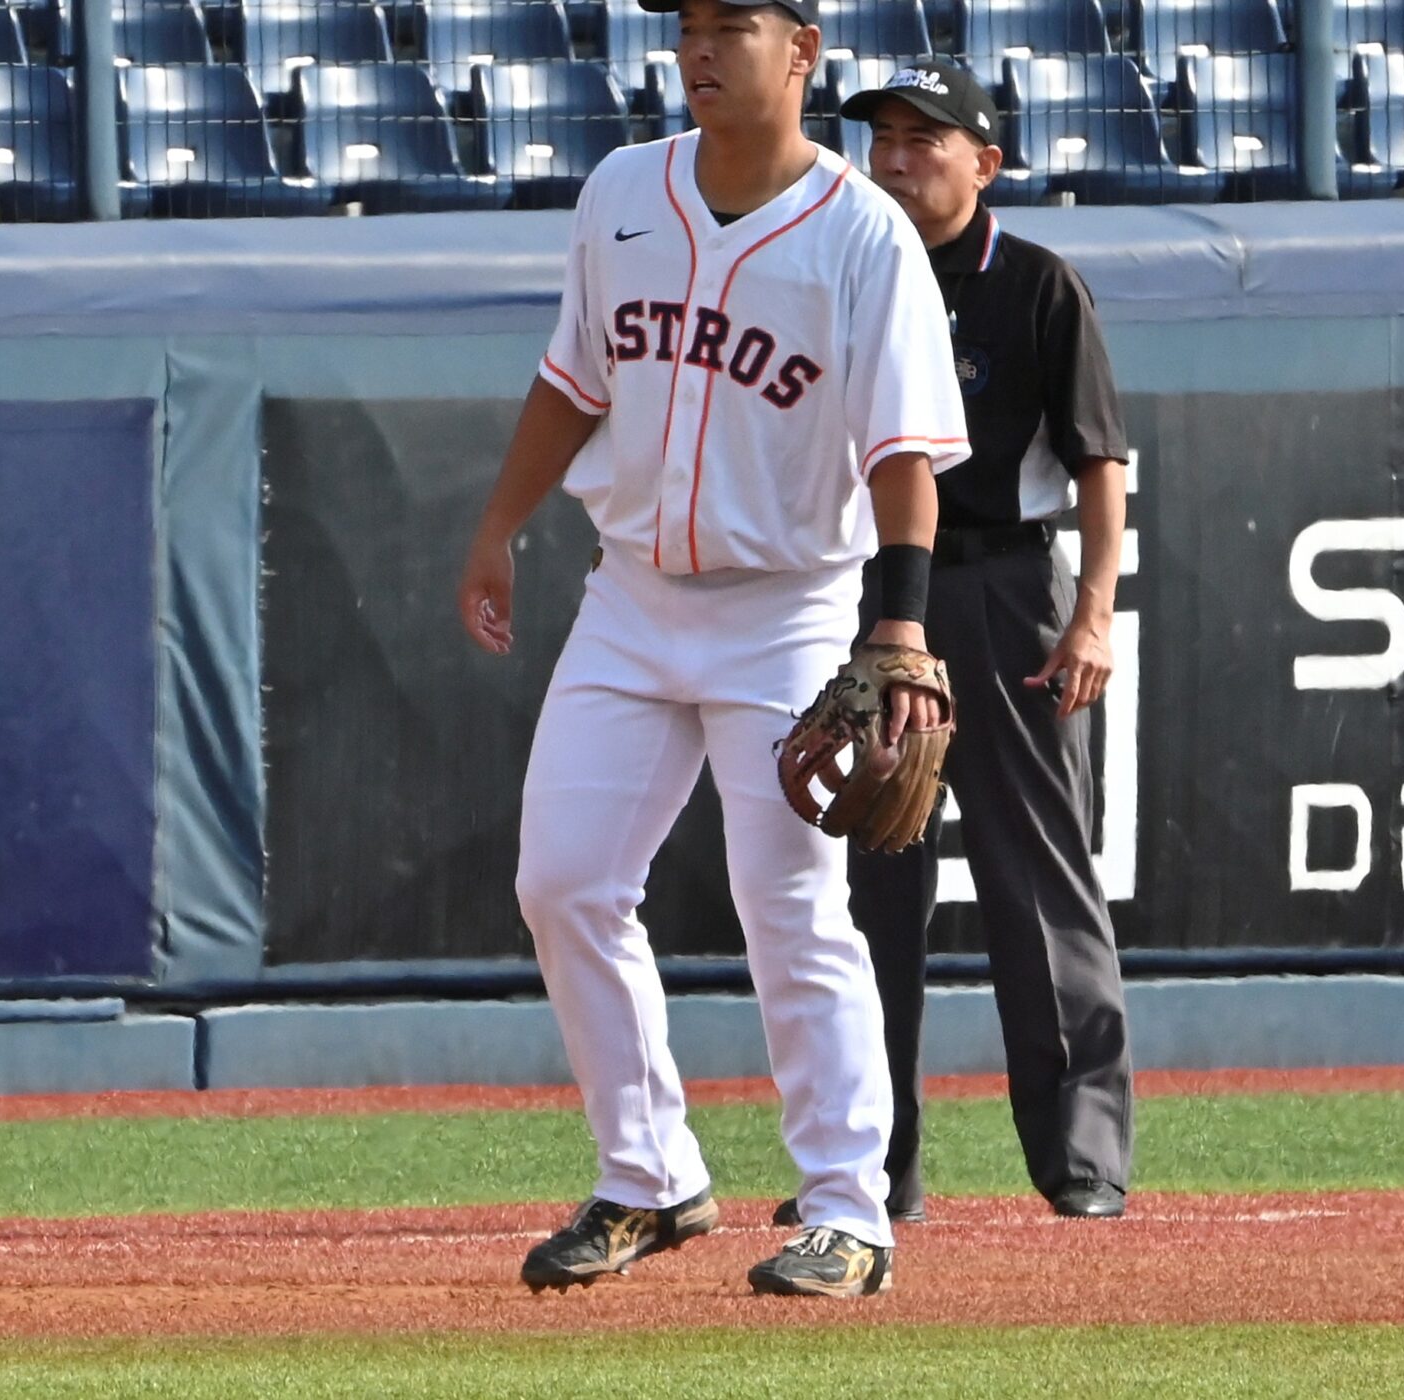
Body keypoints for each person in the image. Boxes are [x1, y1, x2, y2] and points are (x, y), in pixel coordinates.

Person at [455, 0, 969, 1299]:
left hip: (788, 604)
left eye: (731, 22)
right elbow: (575, 381)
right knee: (563, 881)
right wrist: (500, 525)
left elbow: (903, 454)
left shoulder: (862, 235)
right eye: (687, 24)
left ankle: (849, 1210)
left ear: (801, 51)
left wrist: (899, 622)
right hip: (629, 595)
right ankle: (647, 1176)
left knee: (789, 904)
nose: (698, 48)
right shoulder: (623, 191)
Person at [783, 59, 1136, 1225]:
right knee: (869, 881)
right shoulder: (838, 272)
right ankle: (871, 1164)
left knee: (1033, 872)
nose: (891, 160)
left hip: (1003, 587)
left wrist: (1092, 613)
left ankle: (1081, 1157)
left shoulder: (1034, 282)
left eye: (920, 141)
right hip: (874, 589)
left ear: (984, 163)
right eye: (879, 139)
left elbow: (1097, 460)